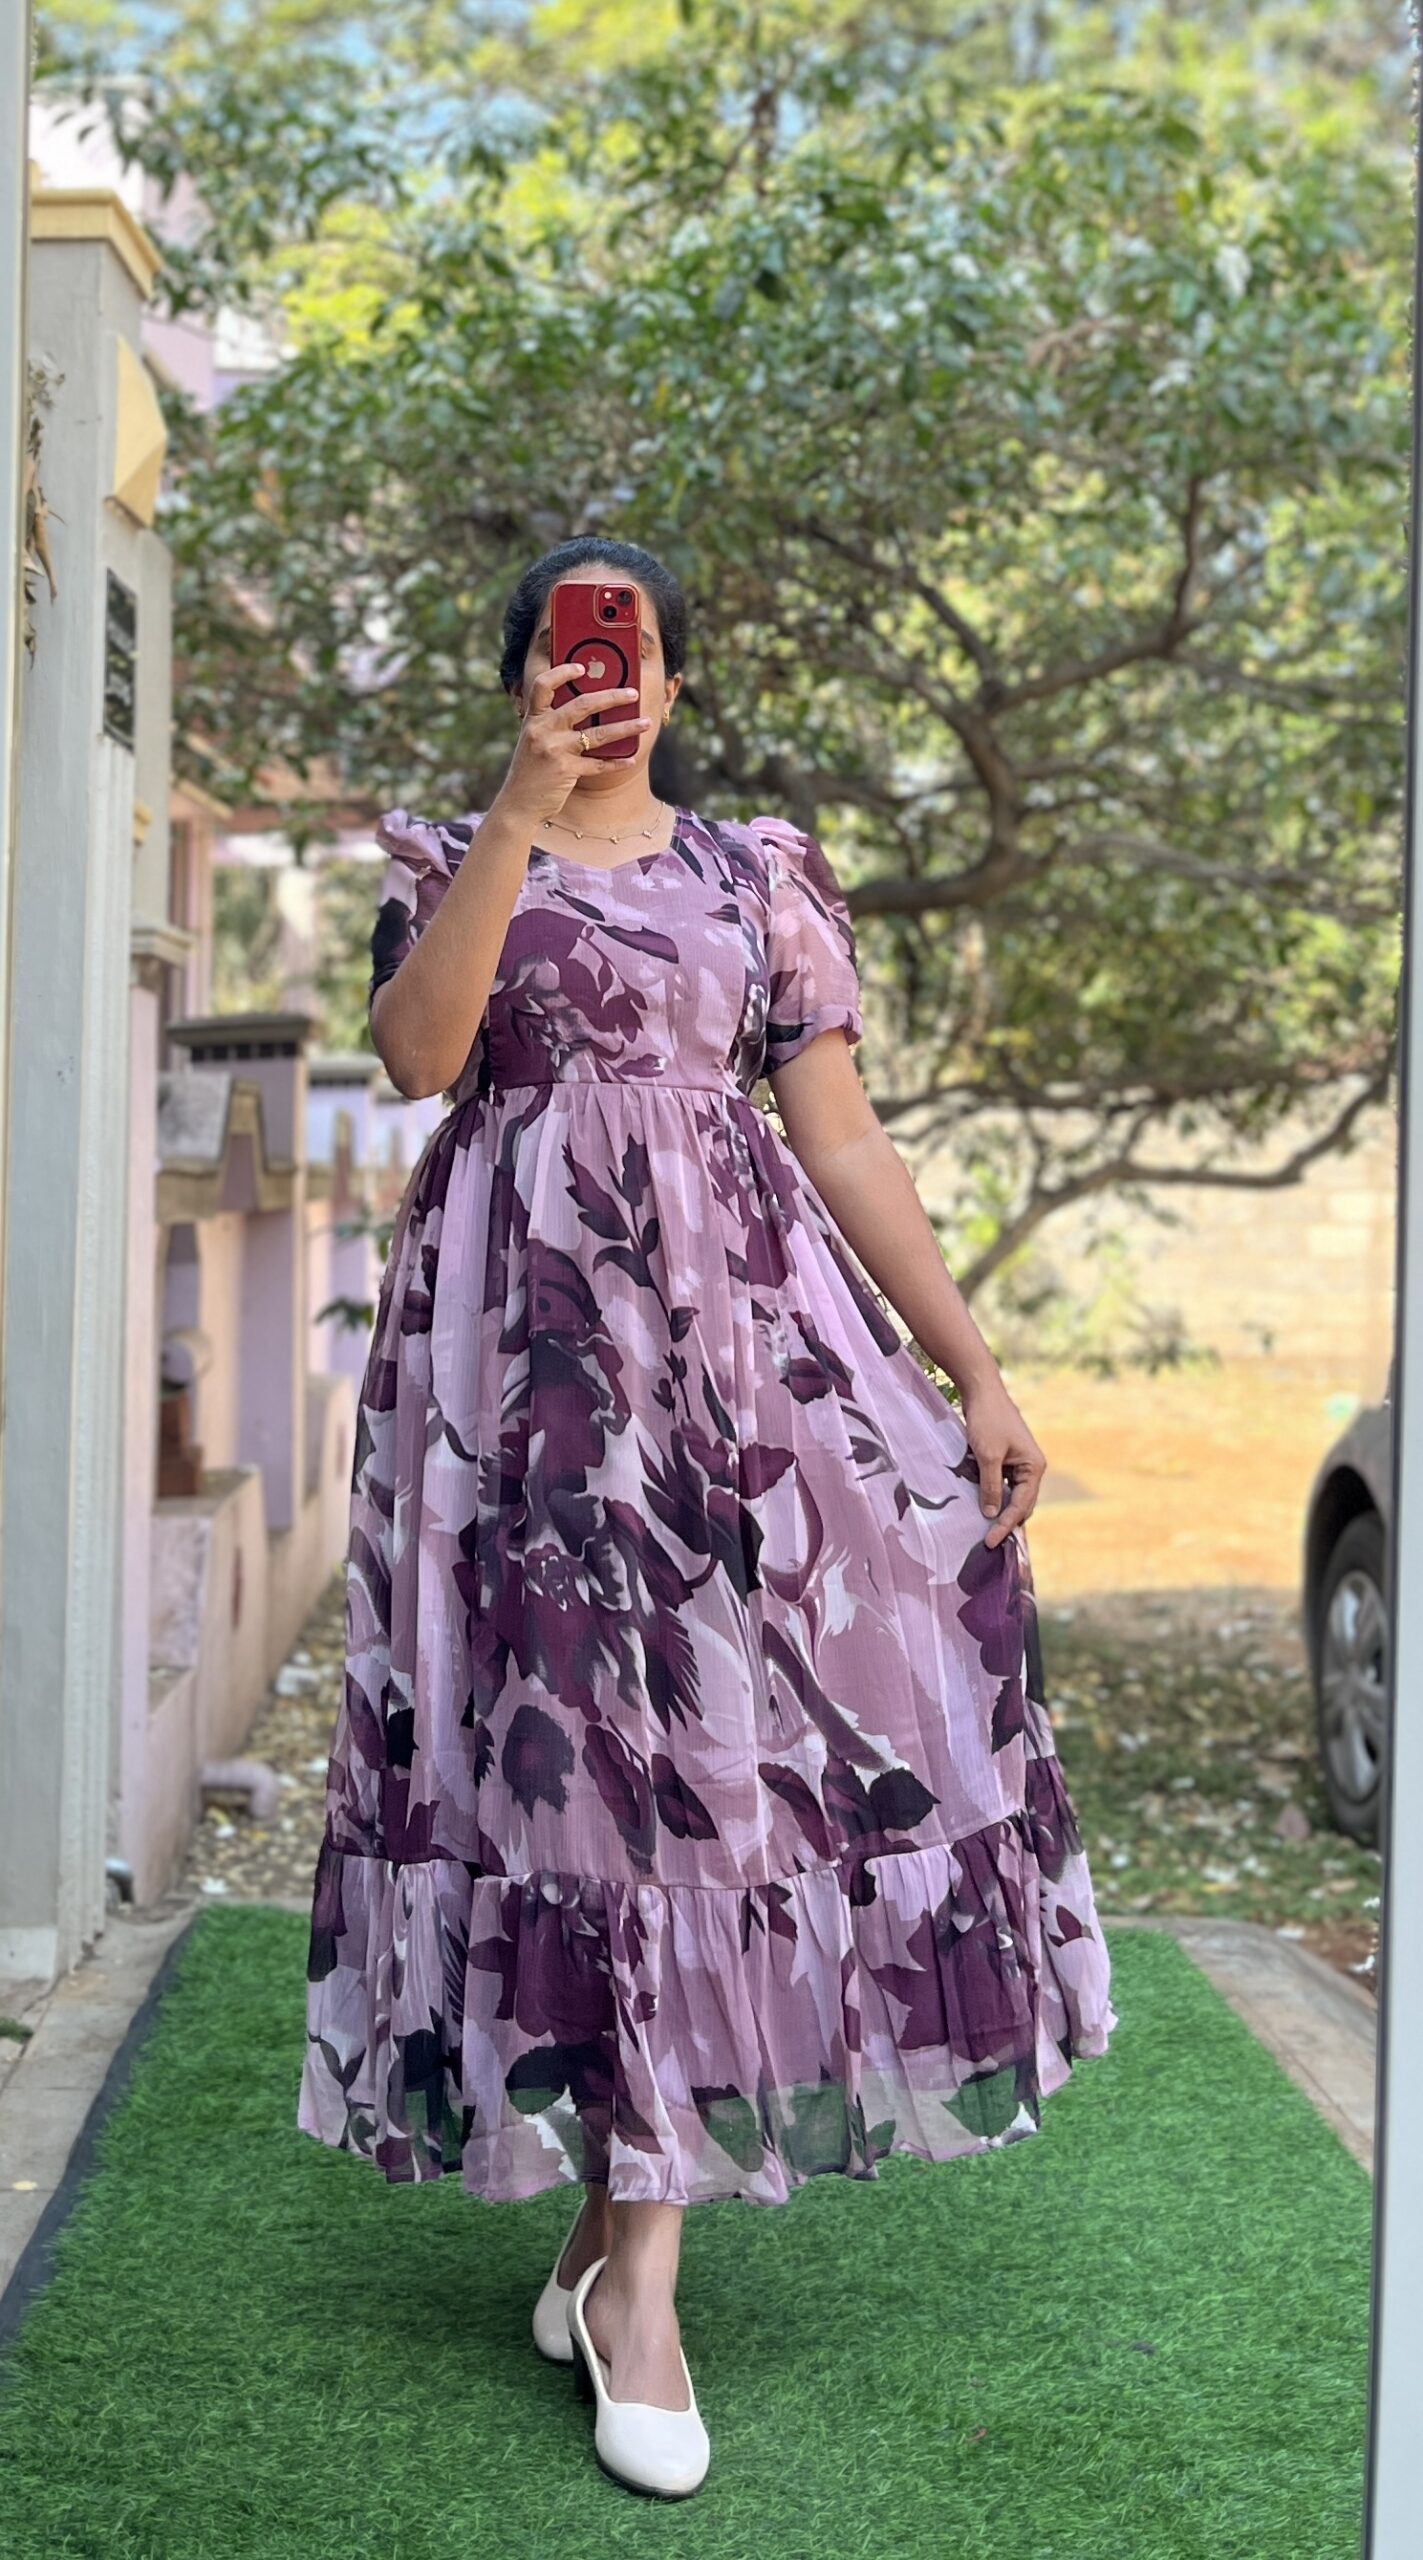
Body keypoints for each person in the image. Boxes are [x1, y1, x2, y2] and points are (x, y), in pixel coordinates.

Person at [298, 534, 1118, 2500]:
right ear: (527, 678)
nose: (612, 677)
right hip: (515, 1393)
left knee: (706, 1776)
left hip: (735, 1384)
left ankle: (636, 2276)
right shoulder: (454, 857)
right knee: (576, 1783)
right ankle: (614, 2258)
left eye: (639, 648)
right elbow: (419, 1058)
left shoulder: (755, 876)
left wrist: (972, 1368)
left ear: (672, 681)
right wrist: (518, 813)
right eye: (576, 650)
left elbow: (839, 1134)